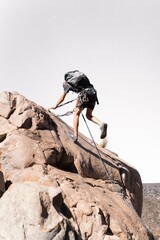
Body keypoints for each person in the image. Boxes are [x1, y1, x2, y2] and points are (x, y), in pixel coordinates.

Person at [49, 70, 107, 143]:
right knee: (89, 115)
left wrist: (55, 106)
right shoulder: (80, 80)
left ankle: (75, 136)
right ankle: (101, 124)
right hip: (93, 93)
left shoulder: (66, 83)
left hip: (85, 93)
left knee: (76, 114)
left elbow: (62, 98)